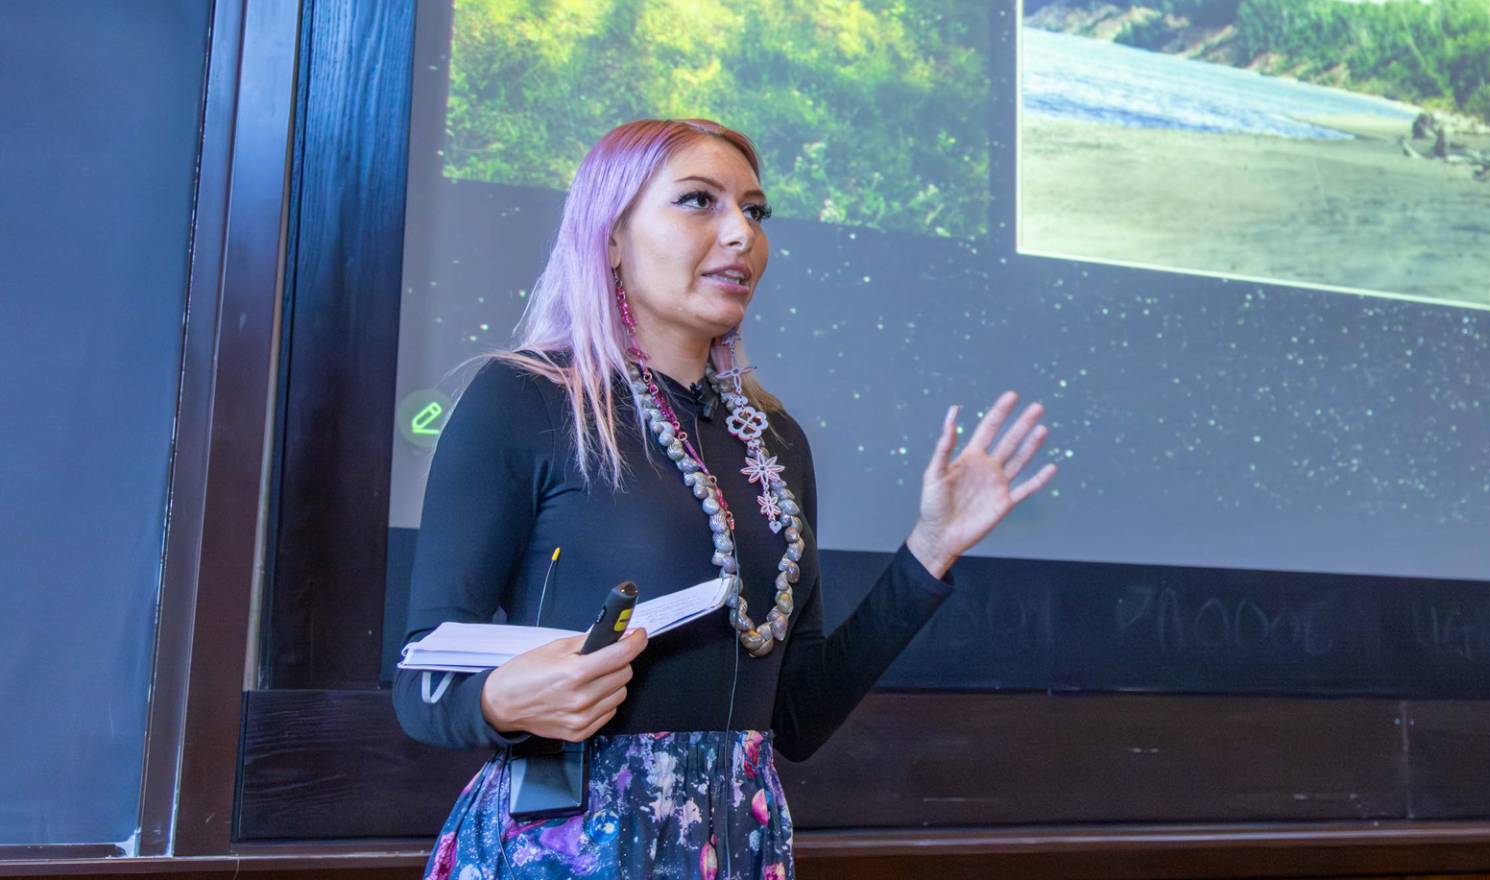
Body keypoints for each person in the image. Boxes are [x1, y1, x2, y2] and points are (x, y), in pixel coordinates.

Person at [396, 118, 1055, 878]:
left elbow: (797, 717)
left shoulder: (775, 440)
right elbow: (424, 681)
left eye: (754, 210)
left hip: (734, 845)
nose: (740, 233)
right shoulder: (529, 398)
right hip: (568, 847)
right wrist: (501, 703)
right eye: (699, 201)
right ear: (610, 235)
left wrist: (930, 551)